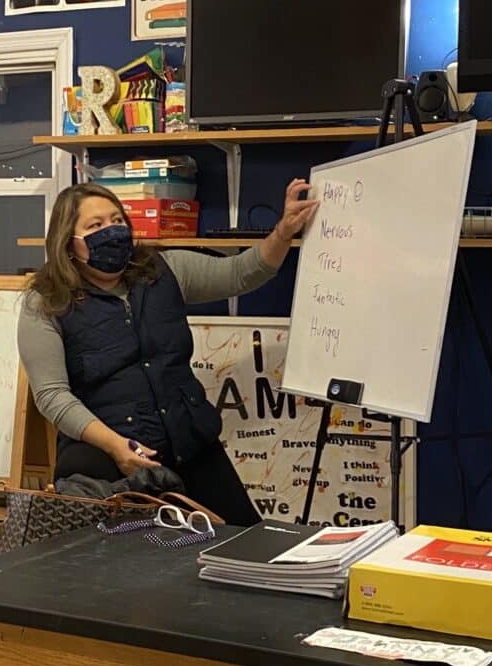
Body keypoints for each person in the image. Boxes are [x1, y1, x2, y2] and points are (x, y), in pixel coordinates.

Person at [18, 179, 318, 525]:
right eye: (95, 225)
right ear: (68, 243)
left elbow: (241, 273)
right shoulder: (46, 301)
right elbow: (51, 395)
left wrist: (283, 232)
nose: (111, 231)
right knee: (139, 570)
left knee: (242, 542)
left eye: (117, 220)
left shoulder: (164, 270)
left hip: (191, 446)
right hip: (106, 466)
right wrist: (117, 446)